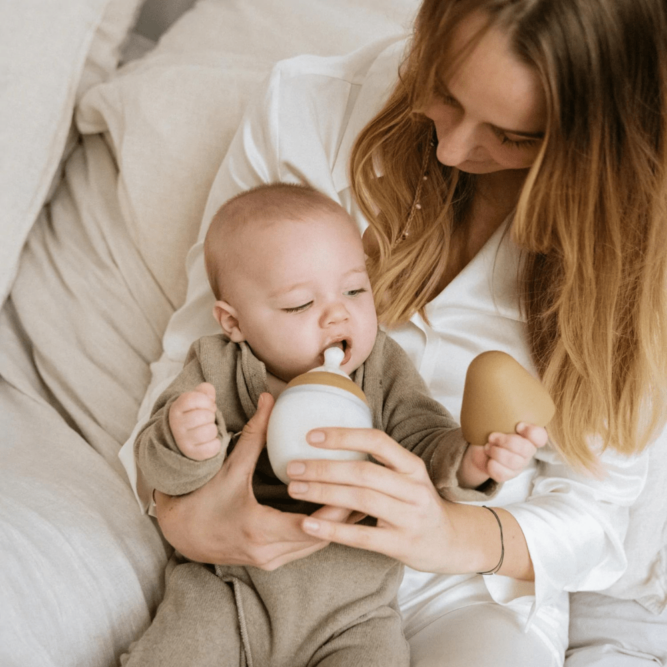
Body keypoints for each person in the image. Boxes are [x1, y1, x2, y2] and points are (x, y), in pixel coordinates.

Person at [120, 0, 667, 664]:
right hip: (251, 563)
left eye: (514, 135)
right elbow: (194, 367)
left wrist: (452, 517)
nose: (452, 148)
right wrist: (191, 518)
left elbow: (595, 516)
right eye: (443, 90)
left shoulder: (635, 245)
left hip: (463, 580)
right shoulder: (307, 110)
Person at [124, 183, 546, 666]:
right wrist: (187, 443)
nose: (336, 313)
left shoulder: (383, 368)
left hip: (354, 611)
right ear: (233, 323)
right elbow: (160, 467)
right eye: (300, 305)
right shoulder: (215, 368)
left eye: (354, 290)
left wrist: (471, 461)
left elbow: (425, 447)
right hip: (228, 589)